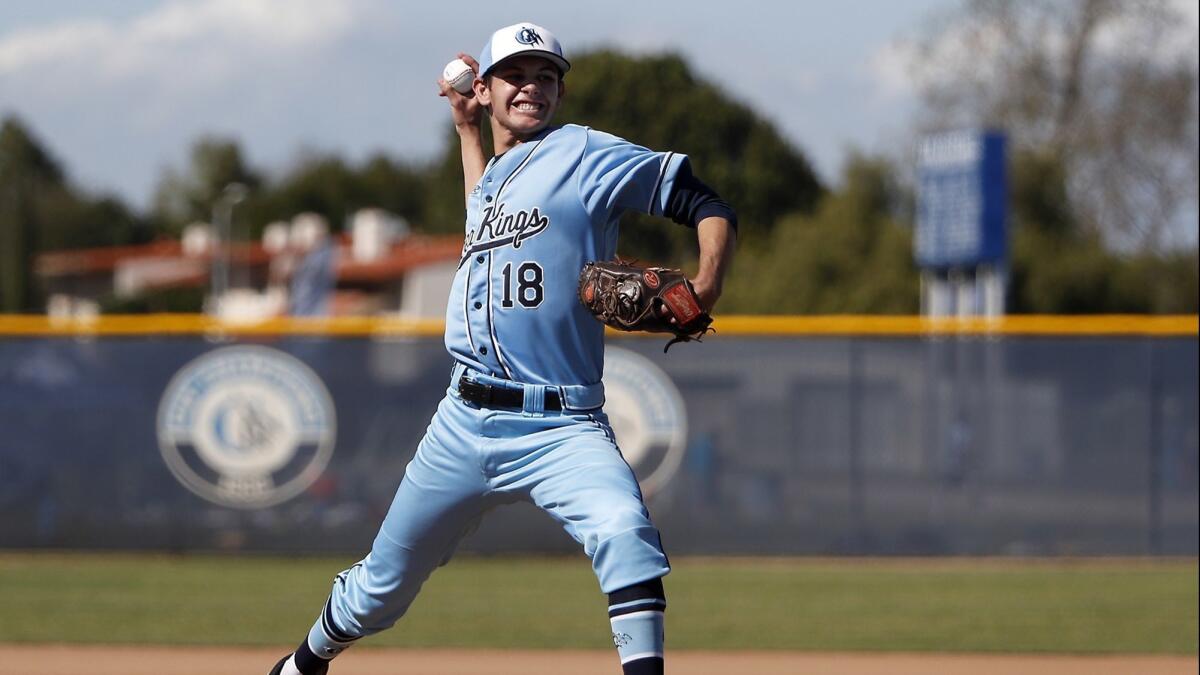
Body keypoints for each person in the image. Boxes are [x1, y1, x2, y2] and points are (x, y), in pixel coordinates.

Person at [269, 21, 737, 675]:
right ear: (483, 90)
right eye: (516, 75)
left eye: (546, 76)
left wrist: (709, 281)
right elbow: (481, 218)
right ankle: (302, 664)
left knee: (625, 531)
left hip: (562, 422)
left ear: (560, 94)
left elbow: (701, 197)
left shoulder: (583, 155)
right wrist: (464, 130)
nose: (533, 87)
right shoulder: (492, 179)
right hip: (463, 420)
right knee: (380, 586)